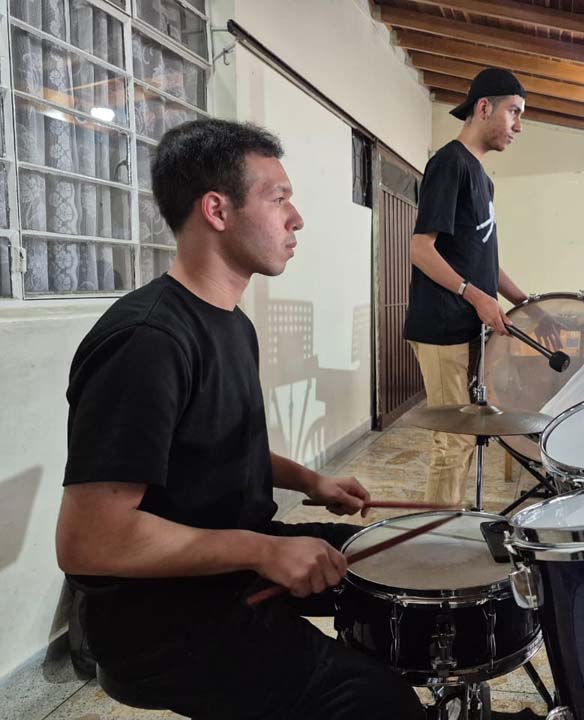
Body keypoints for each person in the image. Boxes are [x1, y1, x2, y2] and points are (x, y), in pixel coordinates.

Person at [55, 119, 424, 720]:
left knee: (394, 563)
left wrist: (311, 481)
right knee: (379, 701)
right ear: (217, 210)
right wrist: (260, 550)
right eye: (279, 199)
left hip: (227, 566)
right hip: (163, 622)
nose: (296, 218)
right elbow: (88, 540)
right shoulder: (147, 342)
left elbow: (212, 446)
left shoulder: (231, 322)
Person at [404, 67, 531, 506]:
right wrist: (476, 296)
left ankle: (454, 524)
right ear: (484, 107)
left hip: (466, 326)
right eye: (514, 112)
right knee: (452, 442)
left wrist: (526, 302)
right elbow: (421, 249)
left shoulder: (483, 178)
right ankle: (435, 544)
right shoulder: (449, 163)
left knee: (465, 439)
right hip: (441, 327)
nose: (519, 125)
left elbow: (482, 262)